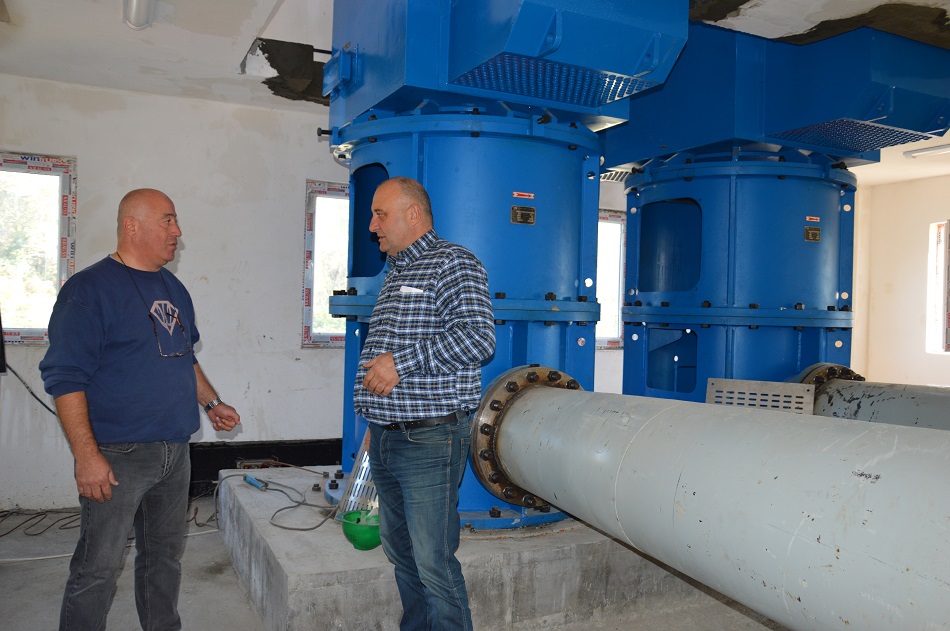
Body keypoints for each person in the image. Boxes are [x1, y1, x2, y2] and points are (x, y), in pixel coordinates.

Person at [39, 188, 241, 631]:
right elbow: (65, 377)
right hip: (119, 456)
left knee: (164, 558)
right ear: (132, 226)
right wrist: (87, 456)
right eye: (168, 220)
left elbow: (183, 355)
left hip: (175, 450)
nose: (177, 231)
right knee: (98, 567)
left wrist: (211, 402)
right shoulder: (88, 290)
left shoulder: (173, 287)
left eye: (176, 221)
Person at [354, 177, 495, 631]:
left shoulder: (453, 262)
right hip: (388, 437)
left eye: (381, 214)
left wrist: (401, 362)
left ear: (413, 214)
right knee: (401, 553)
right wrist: (376, 425)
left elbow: (478, 338)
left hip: (430, 440)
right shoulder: (396, 271)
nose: (372, 225)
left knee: (433, 561)